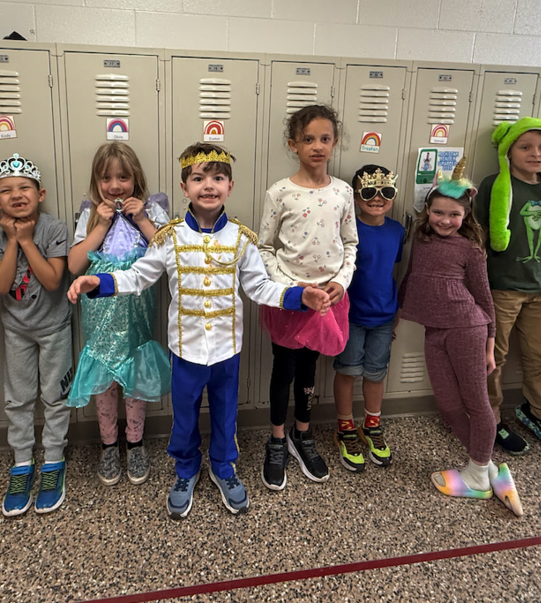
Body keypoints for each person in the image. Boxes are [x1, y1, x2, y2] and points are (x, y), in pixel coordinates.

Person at [68, 143, 330, 519]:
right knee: (185, 416)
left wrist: (299, 296)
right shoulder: (169, 237)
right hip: (185, 349)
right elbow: (139, 276)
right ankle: (185, 470)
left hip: (227, 349)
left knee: (225, 415)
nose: (209, 186)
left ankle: (223, 468)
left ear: (230, 186)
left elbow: (259, 288)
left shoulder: (242, 239)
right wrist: (99, 282)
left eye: (218, 178)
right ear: (184, 187)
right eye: (199, 178)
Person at [397, 160, 523, 516]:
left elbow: (484, 299)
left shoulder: (471, 250)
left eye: (454, 215)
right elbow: (412, 278)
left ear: (465, 217)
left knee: (476, 403)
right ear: (428, 211)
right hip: (434, 331)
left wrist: (490, 344)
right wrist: (395, 315)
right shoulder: (421, 240)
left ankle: (479, 473)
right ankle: (484, 467)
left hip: (468, 330)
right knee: (449, 407)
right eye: (438, 212)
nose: (445, 220)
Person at [258, 104, 358, 490]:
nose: (317, 146)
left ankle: (303, 433)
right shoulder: (280, 192)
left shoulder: (343, 192)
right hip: (291, 300)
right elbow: (265, 248)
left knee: (309, 370)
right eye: (308, 139)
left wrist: (341, 283)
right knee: (283, 369)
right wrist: (295, 290)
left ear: (334, 143)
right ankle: (277, 439)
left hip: (329, 300)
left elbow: (350, 243)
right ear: (293, 144)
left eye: (325, 139)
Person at [66, 142, 170, 487]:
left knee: (135, 379)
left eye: (123, 177)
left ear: (135, 178)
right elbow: (75, 264)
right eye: (106, 178)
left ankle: (136, 442)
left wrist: (140, 219)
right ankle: (109, 444)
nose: (115, 186)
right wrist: (100, 225)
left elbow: (170, 255)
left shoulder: (152, 210)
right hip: (100, 319)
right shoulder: (89, 214)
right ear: (96, 182)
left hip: (138, 317)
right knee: (105, 381)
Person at [475, 117, 541, 456]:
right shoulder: (494, 184)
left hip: (539, 288)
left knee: (540, 355)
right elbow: (478, 235)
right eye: (526, 147)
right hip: (501, 287)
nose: (536, 154)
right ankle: (490, 417)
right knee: (494, 358)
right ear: (509, 151)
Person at [0, 153, 73, 516]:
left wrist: (27, 241)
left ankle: (53, 460)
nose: (16, 195)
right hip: (16, 329)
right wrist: (11, 241)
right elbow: (1, 285)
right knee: (18, 397)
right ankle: (22, 462)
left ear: (41, 194)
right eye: (6, 190)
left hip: (54, 327)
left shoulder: (54, 229)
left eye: (24, 188)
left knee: (55, 395)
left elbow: (53, 281)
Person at [332, 165, 405, 472]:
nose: (378, 199)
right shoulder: (346, 231)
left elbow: (393, 268)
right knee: (348, 371)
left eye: (386, 192)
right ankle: (345, 427)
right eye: (369, 192)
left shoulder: (398, 230)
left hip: (384, 315)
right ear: (356, 196)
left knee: (376, 372)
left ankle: (371, 424)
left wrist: (397, 312)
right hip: (350, 314)